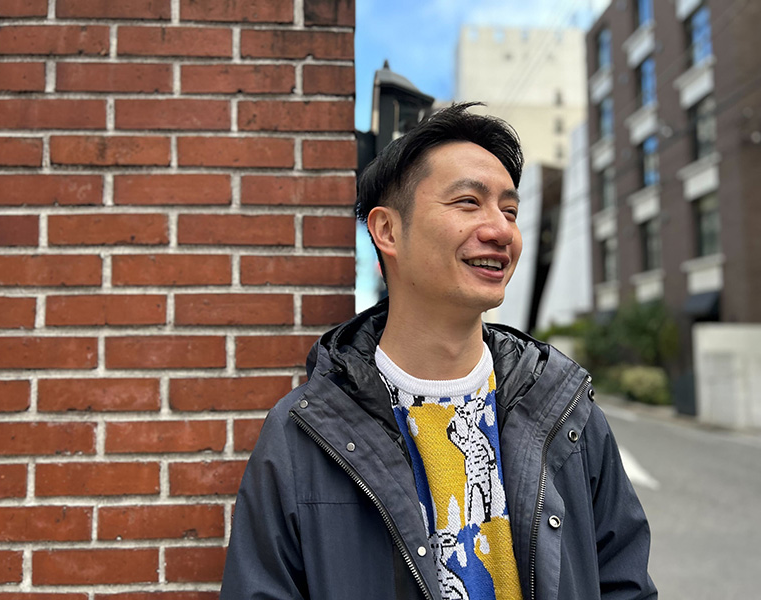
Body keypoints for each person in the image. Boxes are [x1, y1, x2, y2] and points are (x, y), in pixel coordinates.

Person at [220, 103, 657, 600]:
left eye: (509, 211)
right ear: (387, 231)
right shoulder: (304, 434)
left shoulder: (563, 409)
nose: (501, 231)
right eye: (468, 202)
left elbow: (626, 585)